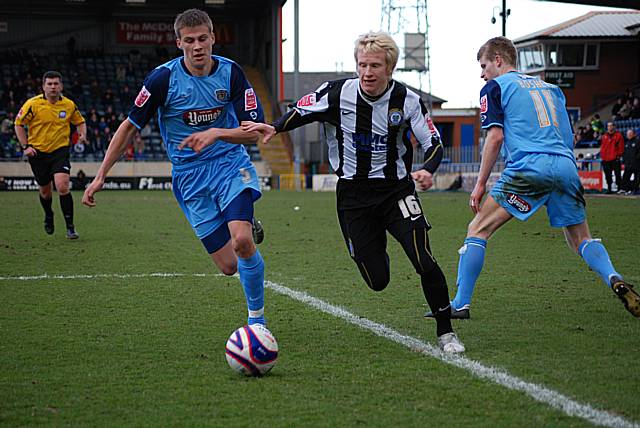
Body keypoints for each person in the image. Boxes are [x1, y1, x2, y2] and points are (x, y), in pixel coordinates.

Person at [244, 31, 465, 353]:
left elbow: (433, 143)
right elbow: (302, 111)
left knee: (423, 257)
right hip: (353, 199)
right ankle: (375, 245)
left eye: (375, 65)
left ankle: (446, 333)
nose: (367, 72)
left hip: (396, 192)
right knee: (377, 280)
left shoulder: (408, 100)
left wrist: (427, 170)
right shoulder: (336, 93)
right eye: (362, 64)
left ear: (390, 68)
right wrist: (275, 127)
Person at [427, 36, 639, 320]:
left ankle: (460, 304)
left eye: (484, 65)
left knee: (477, 229)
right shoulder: (553, 89)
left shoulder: (494, 87)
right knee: (581, 238)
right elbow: (569, 136)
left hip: (529, 167)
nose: (482, 73)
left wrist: (479, 185)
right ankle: (613, 276)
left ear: (498, 60)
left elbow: (495, 137)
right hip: (565, 165)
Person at [82, 9, 268, 327]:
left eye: (203, 39)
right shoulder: (162, 79)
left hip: (229, 165)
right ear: (178, 42)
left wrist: (217, 133)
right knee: (227, 266)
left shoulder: (232, 73)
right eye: (190, 40)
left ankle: (257, 322)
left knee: (242, 242)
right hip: (189, 177)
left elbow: (257, 130)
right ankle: (242, 220)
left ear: (213, 38)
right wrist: (101, 175)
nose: (198, 46)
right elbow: (129, 127)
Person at [14, 70, 86, 239]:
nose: (53, 87)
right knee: (45, 192)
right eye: (50, 84)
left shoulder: (68, 105)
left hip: (60, 151)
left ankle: (70, 227)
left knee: (62, 186)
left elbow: (80, 121)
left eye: (56, 84)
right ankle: (48, 215)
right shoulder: (32, 104)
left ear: (61, 86)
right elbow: (18, 124)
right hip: (38, 153)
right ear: (43, 86)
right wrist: (25, 146)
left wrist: (82, 134)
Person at [600, 121, 624, 194]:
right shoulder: (604, 136)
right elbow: (603, 147)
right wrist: (602, 156)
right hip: (606, 159)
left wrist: (618, 155)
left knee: (617, 174)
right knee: (608, 175)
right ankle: (609, 188)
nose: (609, 127)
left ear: (614, 127)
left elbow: (621, 147)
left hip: (615, 158)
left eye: (611, 126)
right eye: (608, 126)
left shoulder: (618, 135)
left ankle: (619, 188)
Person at [621, 128, 640, 195]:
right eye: (628, 134)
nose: (628, 135)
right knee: (626, 177)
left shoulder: (637, 141)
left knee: (636, 178)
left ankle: (635, 190)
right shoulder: (626, 143)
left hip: (636, 164)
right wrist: (624, 161)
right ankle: (626, 189)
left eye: (630, 134)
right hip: (628, 164)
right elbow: (624, 153)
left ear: (634, 134)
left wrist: (636, 159)